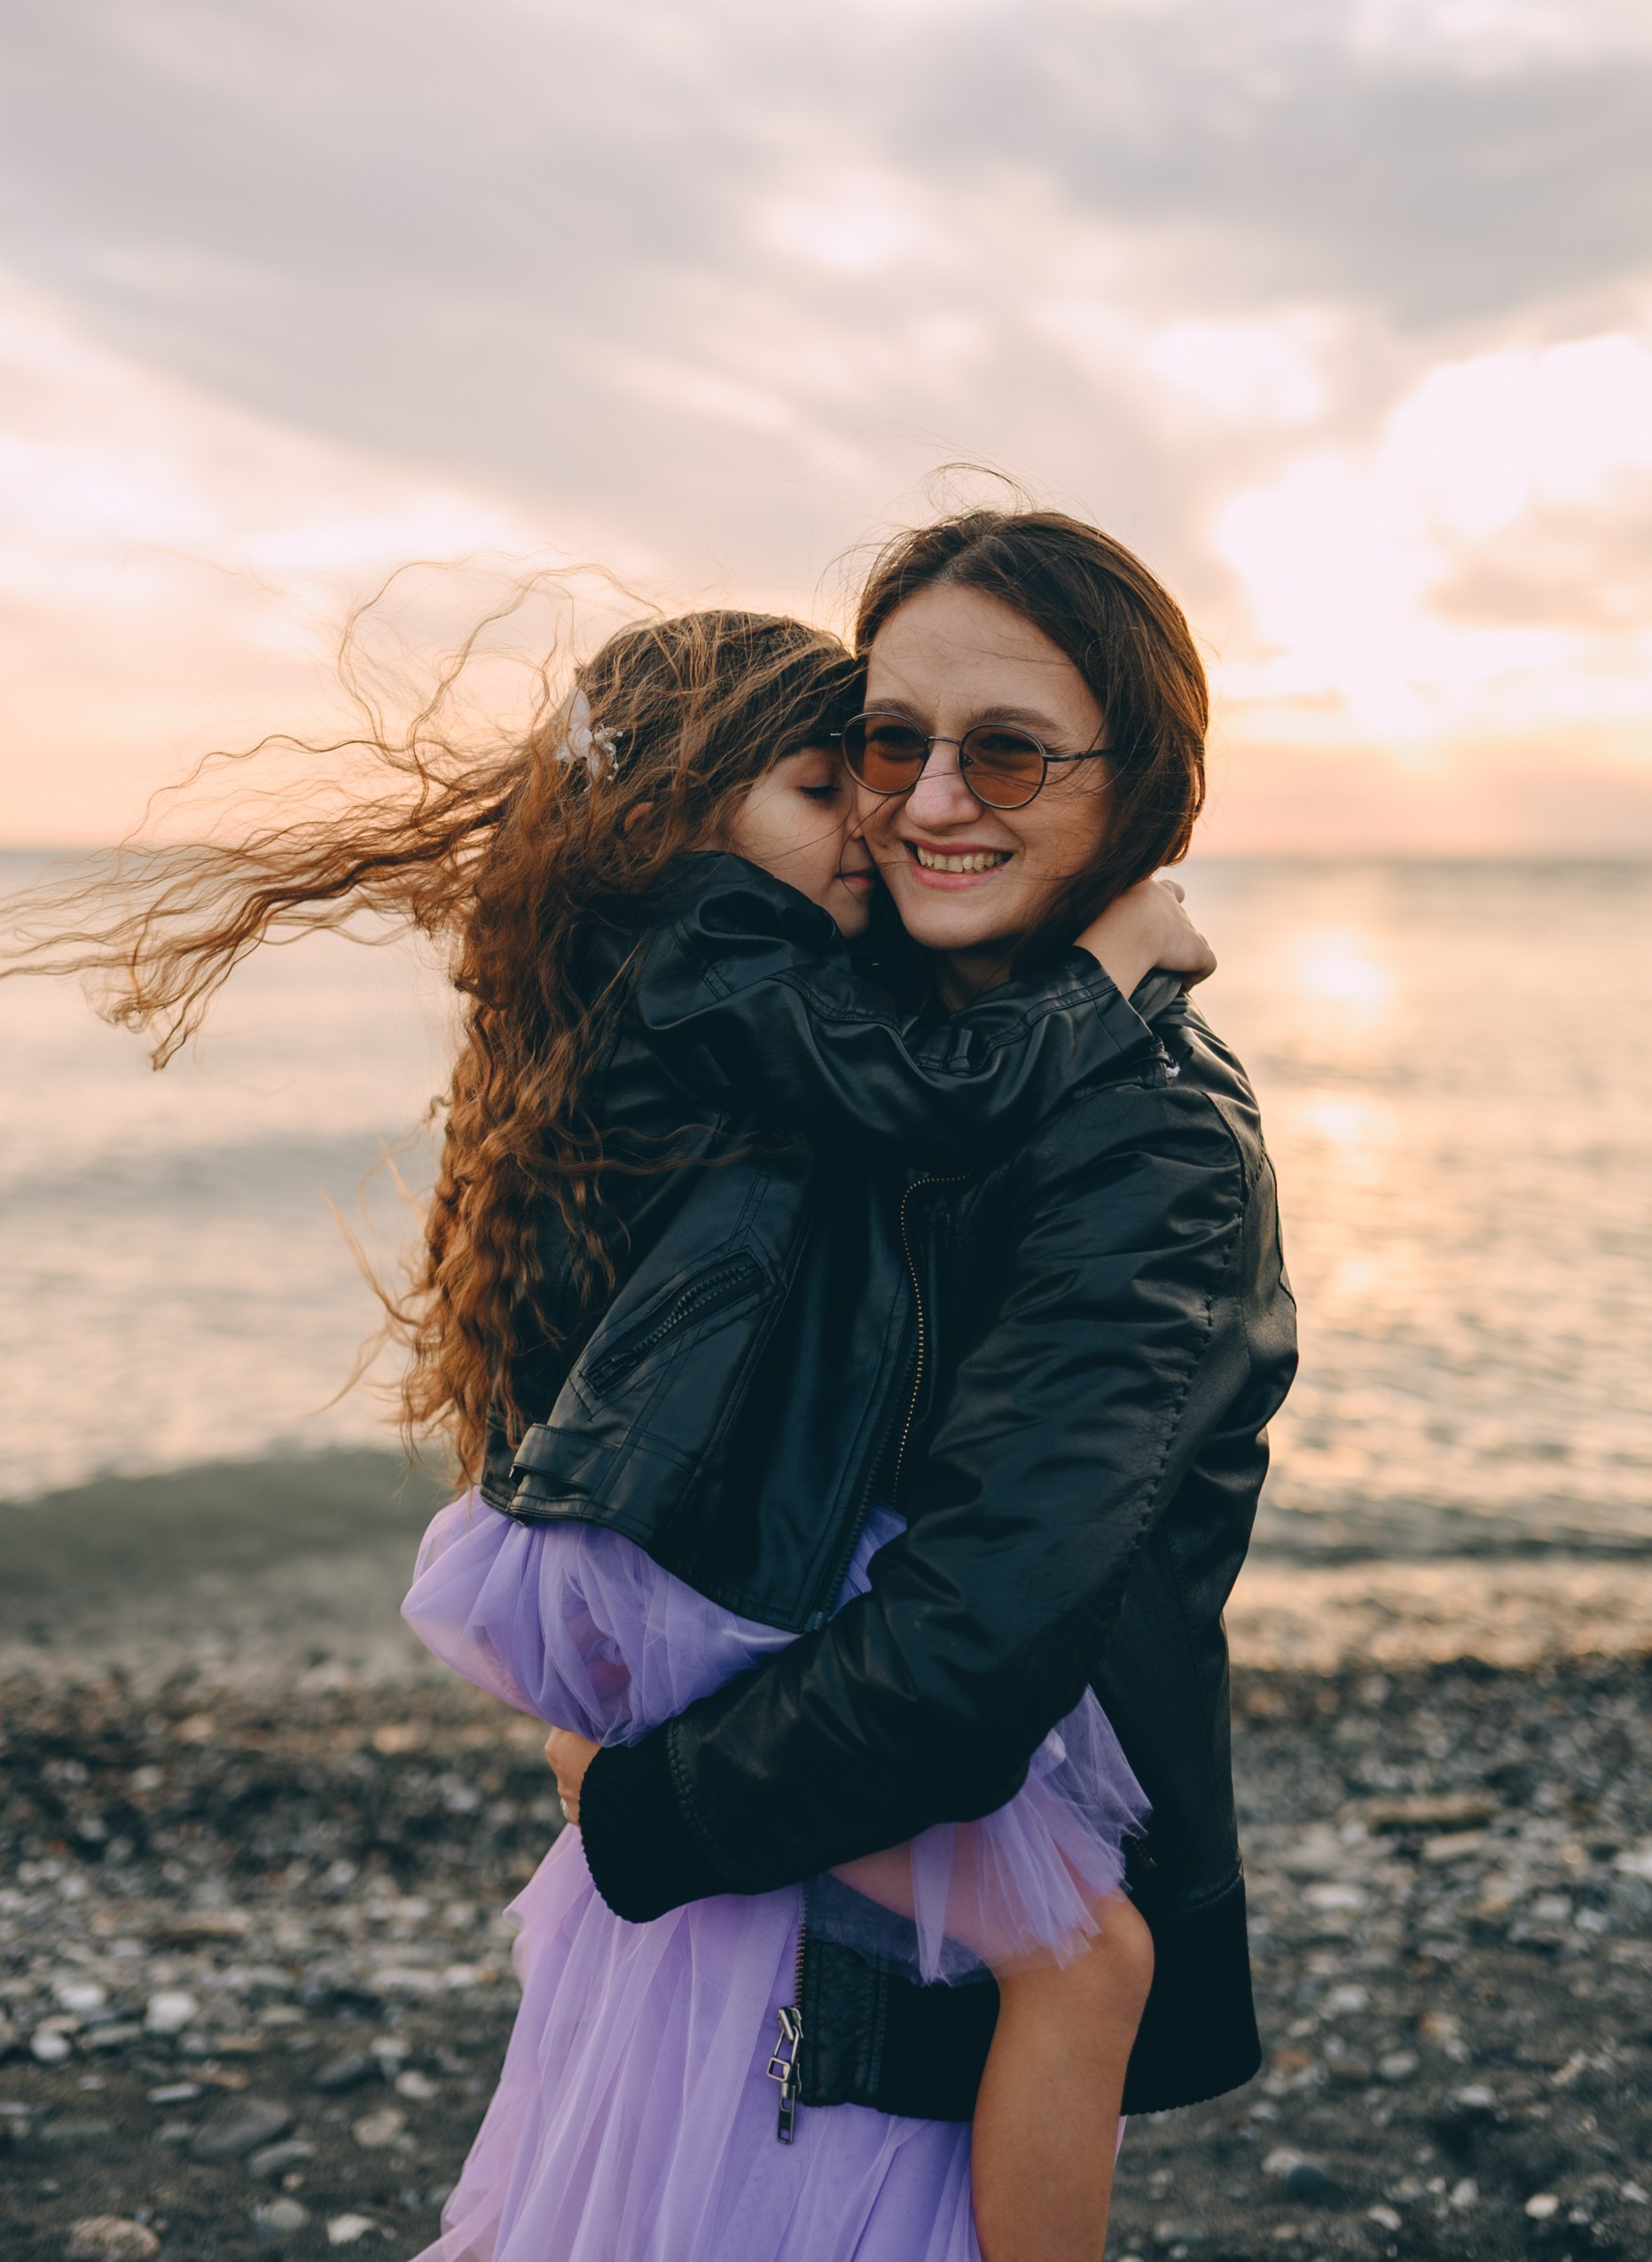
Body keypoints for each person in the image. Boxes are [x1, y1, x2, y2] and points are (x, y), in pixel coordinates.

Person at [399, 602, 1215, 2262]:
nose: (883, 813)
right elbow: (940, 1098)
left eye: (904, 763)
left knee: (921, 1940)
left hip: (679, 1553)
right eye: (829, 775)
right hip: (714, 1565)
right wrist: (1107, 961)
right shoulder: (720, 952)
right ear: (671, 817)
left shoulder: (694, 965)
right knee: (1088, 1956)